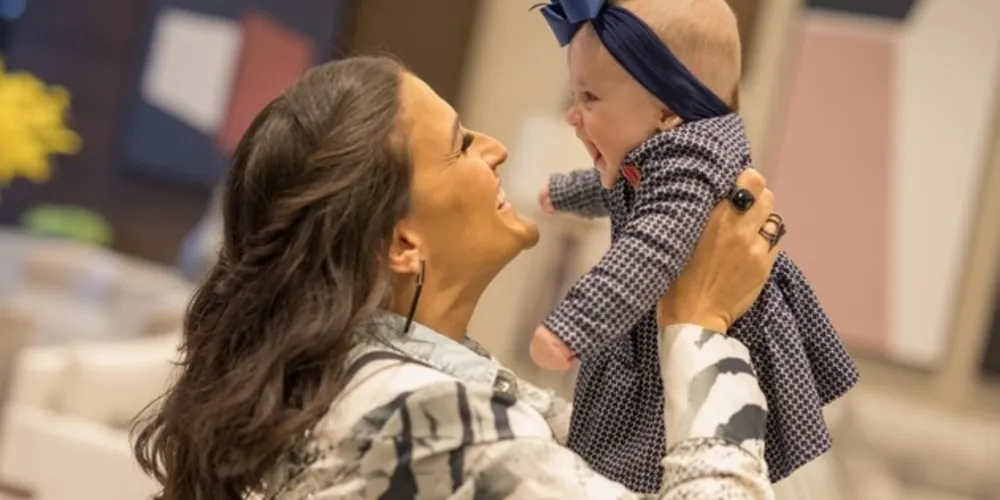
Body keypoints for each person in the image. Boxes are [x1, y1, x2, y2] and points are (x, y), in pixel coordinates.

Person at [131, 55, 781, 499]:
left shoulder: (377, 388)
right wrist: (700, 329)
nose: (494, 146)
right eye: (460, 144)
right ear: (403, 243)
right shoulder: (419, 416)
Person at [527, 0, 859, 490]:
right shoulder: (666, 156)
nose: (573, 117)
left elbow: (648, 247)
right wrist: (565, 192)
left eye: (590, 97)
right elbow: (617, 189)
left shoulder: (688, 167)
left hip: (717, 348)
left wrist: (574, 326)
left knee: (651, 452)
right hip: (676, 332)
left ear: (665, 110)